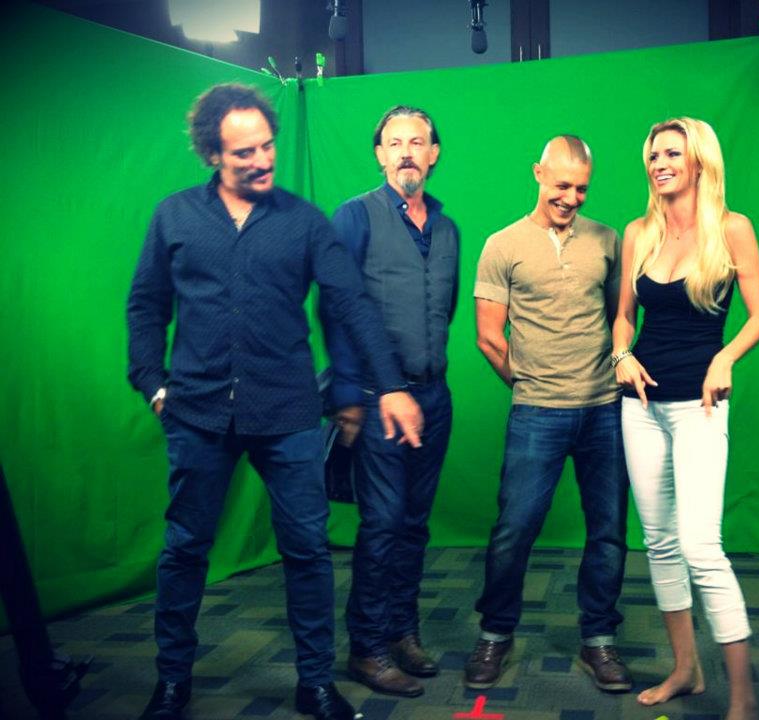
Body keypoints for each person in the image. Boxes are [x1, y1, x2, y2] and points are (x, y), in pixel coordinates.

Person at [126, 83, 423, 720]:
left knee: (307, 550)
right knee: (184, 549)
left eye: (267, 146)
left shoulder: (305, 222)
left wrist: (393, 386)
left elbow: (352, 305)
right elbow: (146, 305)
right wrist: (152, 383)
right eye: (245, 153)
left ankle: (315, 683)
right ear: (212, 154)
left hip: (287, 415)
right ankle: (172, 681)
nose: (262, 160)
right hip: (197, 414)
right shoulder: (174, 217)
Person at [612, 117, 759, 720]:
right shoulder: (639, 233)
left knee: (701, 547)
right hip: (641, 408)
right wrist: (621, 355)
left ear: (699, 161)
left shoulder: (732, 229)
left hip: (699, 407)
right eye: (654, 155)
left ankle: (743, 699)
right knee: (658, 542)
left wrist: (725, 358)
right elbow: (623, 317)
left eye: (672, 154)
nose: (660, 164)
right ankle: (686, 669)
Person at [467, 135, 631, 693]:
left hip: (604, 410)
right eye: (562, 185)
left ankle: (599, 639)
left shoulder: (607, 240)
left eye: (582, 189)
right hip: (537, 411)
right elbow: (489, 337)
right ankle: (495, 632)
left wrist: (613, 367)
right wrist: (531, 384)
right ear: (538, 173)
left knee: (608, 530)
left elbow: (621, 318)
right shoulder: (502, 244)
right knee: (514, 530)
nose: (571, 198)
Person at [321, 105, 458, 698]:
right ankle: (368, 649)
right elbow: (335, 306)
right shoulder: (354, 216)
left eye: (417, 142)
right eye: (394, 142)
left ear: (433, 154)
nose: (406, 151)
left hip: (434, 396)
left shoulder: (448, 229)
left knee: (414, 524)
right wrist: (349, 396)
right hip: (379, 398)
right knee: (381, 523)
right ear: (380, 155)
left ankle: (403, 632)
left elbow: (444, 309)